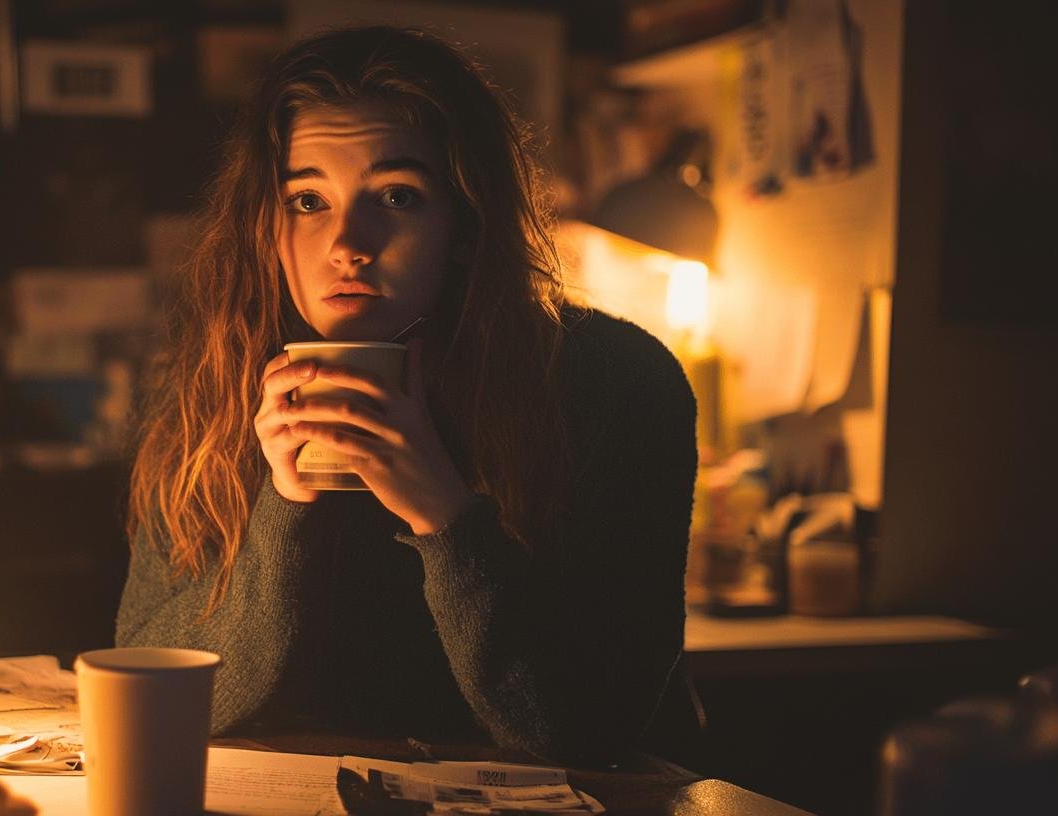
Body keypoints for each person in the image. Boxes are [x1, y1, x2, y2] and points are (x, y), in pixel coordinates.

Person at [116, 25, 696, 767]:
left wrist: (443, 512)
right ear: (265, 223)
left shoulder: (614, 381)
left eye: (396, 195)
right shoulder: (211, 387)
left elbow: (588, 730)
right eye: (306, 200)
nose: (346, 243)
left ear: (465, 220)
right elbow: (148, 683)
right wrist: (285, 508)